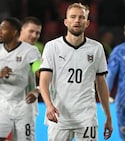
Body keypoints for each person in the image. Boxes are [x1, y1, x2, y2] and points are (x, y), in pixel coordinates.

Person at [39, 3, 113, 141]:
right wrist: (48, 105)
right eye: (73, 17)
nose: (77, 20)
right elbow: (44, 80)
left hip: (86, 116)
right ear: (66, 22)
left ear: (87, 23)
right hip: (59, 115)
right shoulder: (52, 47)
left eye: (81, 17)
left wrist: (108, 116)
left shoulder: (96, 48)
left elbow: (101, 83)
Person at [0, 17, 41, 141]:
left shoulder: (31, 52)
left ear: (14, 31)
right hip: (2, 107)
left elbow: (42, 76)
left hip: (25, 107)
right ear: (22, 31)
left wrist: (37, 91)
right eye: (31, 31)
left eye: (3, 29)